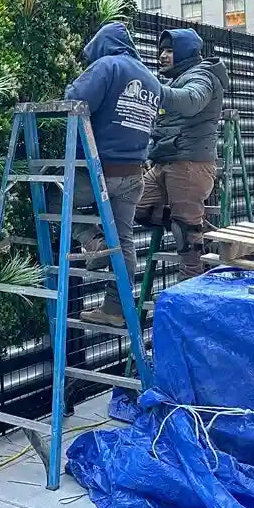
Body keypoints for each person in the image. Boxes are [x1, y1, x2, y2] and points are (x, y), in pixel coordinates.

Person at [54, 22, 162, 328]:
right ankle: (115, 307)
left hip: (100, 173)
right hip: (133, 175)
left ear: (101, 45)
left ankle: (93, 242)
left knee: (50, 200)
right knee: (124, 239)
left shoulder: (107, 66)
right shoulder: (150, 79)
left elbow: (75, 98)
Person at [135, 28, 229, 280]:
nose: (162, 56)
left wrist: (156, 90)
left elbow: (191, 101)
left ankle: (191, 296)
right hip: (165, 163)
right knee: (134, 204)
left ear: (185, 52)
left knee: (186, 240)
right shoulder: (179, 79)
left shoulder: (203, 76)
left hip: (189, 165)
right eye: (162, 50)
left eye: (169, 50)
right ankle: (204, 234)